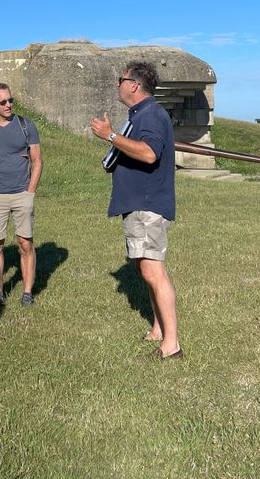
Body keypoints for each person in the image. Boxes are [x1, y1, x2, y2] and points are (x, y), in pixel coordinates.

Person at [90, 62, 182, 360]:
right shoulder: (143, 114)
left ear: (134, 85)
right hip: (140, 203)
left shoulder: (151, 115)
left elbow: (150, 152)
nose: (117, 84)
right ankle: (159, 328)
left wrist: (110, 136)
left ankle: (172, 345)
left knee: (153, 270)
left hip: (147, 204)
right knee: (147, 269)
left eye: (121, 79)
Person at [0, 83, 42, 307]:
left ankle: (27, 292)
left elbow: (37, 161)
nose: (8, 105)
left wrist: (30, 191)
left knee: (25, 243)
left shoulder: (25, 125)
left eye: (10, 100)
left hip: (22, 194)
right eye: (2, 102)